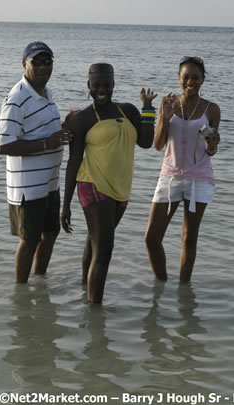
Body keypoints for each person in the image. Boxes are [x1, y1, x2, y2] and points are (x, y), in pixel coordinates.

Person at [60, 63, 156, 304]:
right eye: (96, 85)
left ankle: (86, 291)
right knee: (104, 252)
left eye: (106, 84)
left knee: (95, 243)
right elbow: (73, 161)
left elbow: (145, 142)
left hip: (120, 189)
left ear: (114, 85)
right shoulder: (82, 118)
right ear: (88, 86)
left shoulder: (129, 111)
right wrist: (66, 204)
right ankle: (95, 317)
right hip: (92, 184)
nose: (101, 89)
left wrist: (147, 108)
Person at [0, 41, 71, 283]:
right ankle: (21, 294)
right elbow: (4, 145)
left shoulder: (46, 94)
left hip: (49, 184)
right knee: (29, 240)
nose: (43, 67)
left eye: (47, 62)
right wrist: (46, 144)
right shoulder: (16, 98)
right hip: (27, 188)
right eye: (36, 62)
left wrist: (65, 127)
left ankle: (40, 283)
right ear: (24, 64)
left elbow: (45, 132)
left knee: (50, 234)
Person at [144, 56, 221, 283]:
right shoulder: (168, 104)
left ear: (203, 79)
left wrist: (211, 144)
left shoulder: (212, 109)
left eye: (195, 77)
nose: (190, 82)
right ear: (179, 78)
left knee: (189, 238)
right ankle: (161, 284)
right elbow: (158, 145)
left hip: (200, 178)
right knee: (152, 238)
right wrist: (166, 119)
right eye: (186, 77)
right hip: (170, 176)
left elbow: (211, 150)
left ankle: (183, 290)